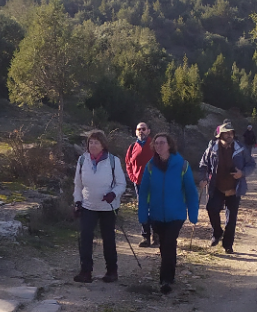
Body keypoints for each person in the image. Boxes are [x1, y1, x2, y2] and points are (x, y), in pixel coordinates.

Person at [136, 133, 199, 294]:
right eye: (156, 143)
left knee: (169, 242)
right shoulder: (151, 166)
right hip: (157, 214)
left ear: (169, 145)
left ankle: (165, 280)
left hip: (176, 214)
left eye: (162, 143)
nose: (158, 146)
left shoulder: (182, 165)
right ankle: (170, 275)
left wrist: (193, 213)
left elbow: (191, 191)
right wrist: (143, 215)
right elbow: (143, 192)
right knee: (165, 245)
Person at [72, 130, 125, 283]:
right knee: (85, 238)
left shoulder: (113, 161)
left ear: (103, 144)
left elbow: (121, 184)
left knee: (108, 239)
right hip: (88, 205)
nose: (93, 145)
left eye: (96, 142)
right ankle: (85, 271)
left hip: (108, 207)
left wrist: (113, 194)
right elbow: (78, 184)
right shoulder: (82, 160)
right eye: (91, 142)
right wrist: (77, 202)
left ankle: (111, 271)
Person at [198, 122, 256, 253]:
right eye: (226, 133)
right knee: (211, 208)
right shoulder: (212, 149)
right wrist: (203, 178)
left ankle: (228, 245)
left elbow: (251, 164)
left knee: (231, 219)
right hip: (217, 186)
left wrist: (242, 173)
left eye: (231, 133)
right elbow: (203, 164)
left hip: (234, 188)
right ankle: (217, 232)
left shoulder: (240, 149)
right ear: (220, 135)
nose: (230, 135)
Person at [123, 122, 155, 247]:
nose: (141, 131)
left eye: (143, 129)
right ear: (136, 132)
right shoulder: (132, 147)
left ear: (148, 131)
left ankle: (157, 235)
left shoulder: (155, 145)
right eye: (138, 129)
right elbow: (128, 164)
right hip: (139, 183)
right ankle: (146, 236)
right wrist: (132, 177)